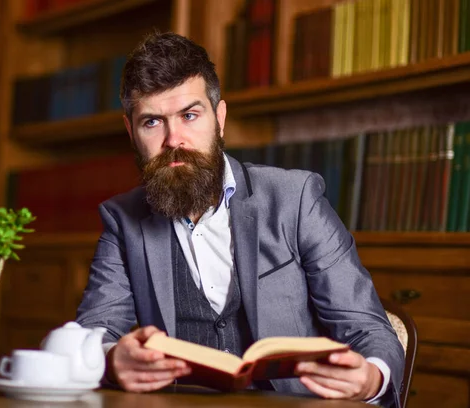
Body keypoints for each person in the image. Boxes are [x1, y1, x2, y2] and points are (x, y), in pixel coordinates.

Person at [76, 32, 404, 407]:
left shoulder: (295, 199)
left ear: (219, 118)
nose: (173, 139)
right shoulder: (123, 220)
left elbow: (368, 329)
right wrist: (110, 360)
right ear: (131, 132)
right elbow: (93, 331)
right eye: (152, 122)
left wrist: (371, 378)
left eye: (189, 115)